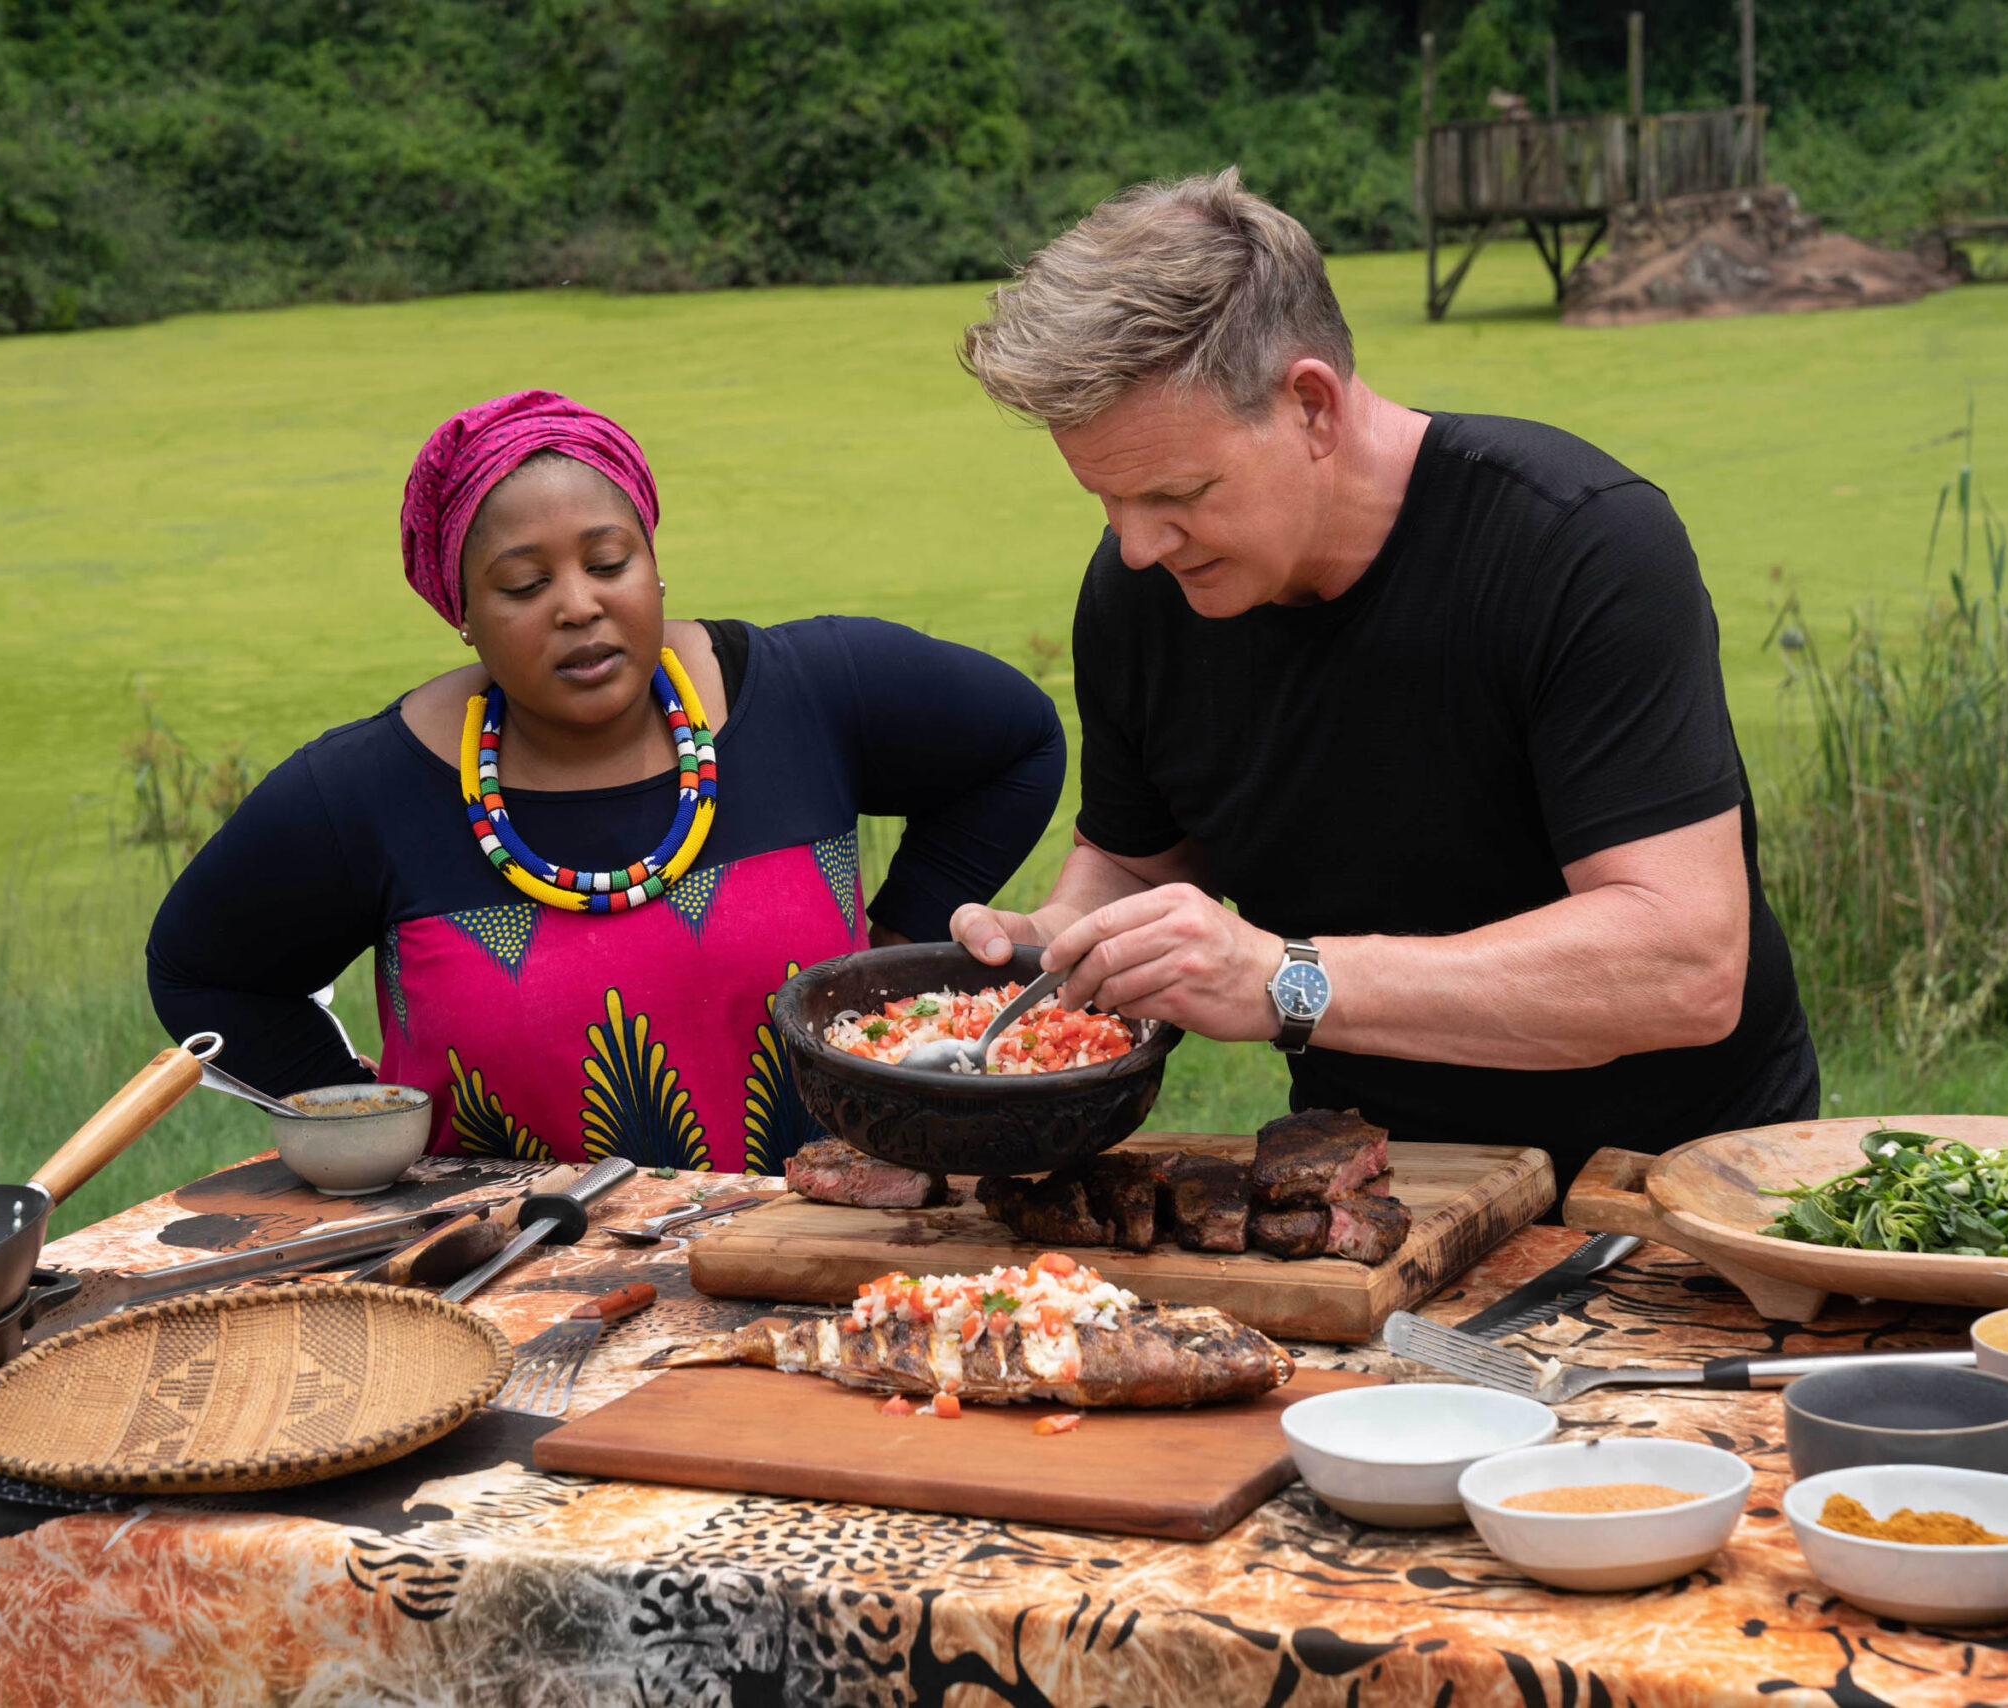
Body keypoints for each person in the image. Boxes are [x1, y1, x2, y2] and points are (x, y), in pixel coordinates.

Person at [950, 169, 1817, 1186]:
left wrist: (1286, 980)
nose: (1137, 545)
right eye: (1105, 499)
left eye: (1174, 493)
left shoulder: (1576, 545)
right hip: (1359, 1189)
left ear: (1311, 404)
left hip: (1668, 1193)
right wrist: (1066, 944)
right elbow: (1142, 862)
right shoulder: (1147, 590)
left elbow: (1683, 964)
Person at [150, 390, 1065, 1171]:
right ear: (461, 613)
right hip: (510, 1301)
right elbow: (204, 969)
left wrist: (892, 957)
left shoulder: (815, 694)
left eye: (608, 561)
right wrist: (360, 1123)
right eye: (521, 584)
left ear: (654, 561)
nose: (578, 604)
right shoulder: (367, 790)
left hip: (822, 1254)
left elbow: (1019, 746)